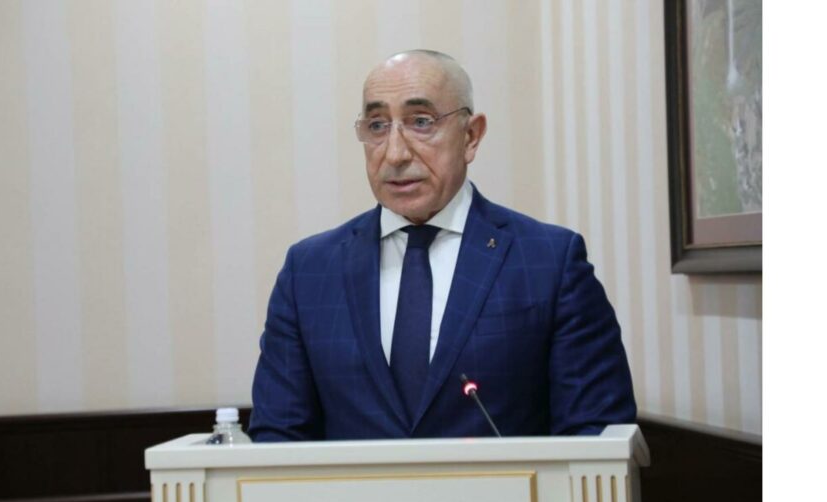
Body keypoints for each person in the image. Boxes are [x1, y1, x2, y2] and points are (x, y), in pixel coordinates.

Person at [249, 50, 635, 441]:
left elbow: (596, 435)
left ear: (471, 136)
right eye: (377, 125)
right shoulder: (309, 271)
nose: (395, 154)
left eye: (421, 122)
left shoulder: (549, 261)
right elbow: (278, 437)